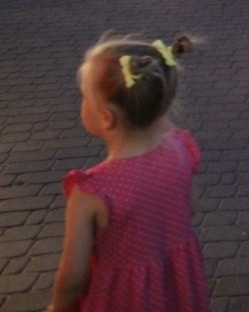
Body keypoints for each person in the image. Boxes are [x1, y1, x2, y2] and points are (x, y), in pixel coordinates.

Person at [49, 36, 208, 312]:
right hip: (177, 288)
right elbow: (190, 208)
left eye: (84, 97)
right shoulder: (181, 149)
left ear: (106, 116)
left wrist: (57, 308)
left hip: (121, 298)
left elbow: (73, 279)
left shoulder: (92, 191)